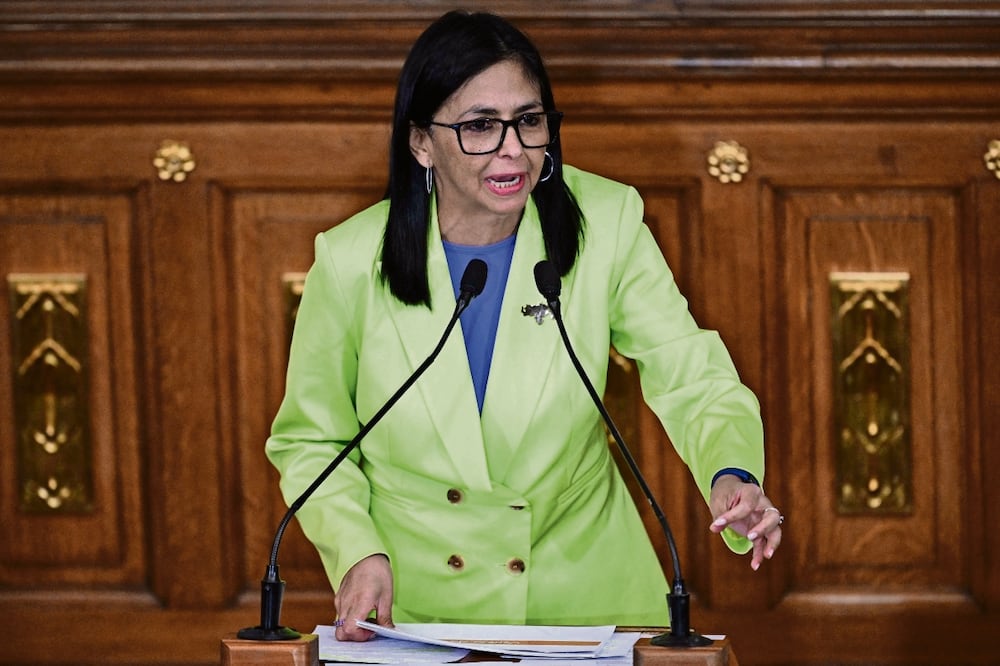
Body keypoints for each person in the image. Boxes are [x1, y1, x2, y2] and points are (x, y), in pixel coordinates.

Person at [265, 10, 783, 642]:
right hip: (417, 609)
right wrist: (357, 550)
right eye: (480, 125)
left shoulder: (608, 223)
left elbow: (689, 373)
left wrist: (733, 475)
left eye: (529, 122)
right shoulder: (348, 261)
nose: (513, 149)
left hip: (588, 602)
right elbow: (312, 441)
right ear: (420, 141)